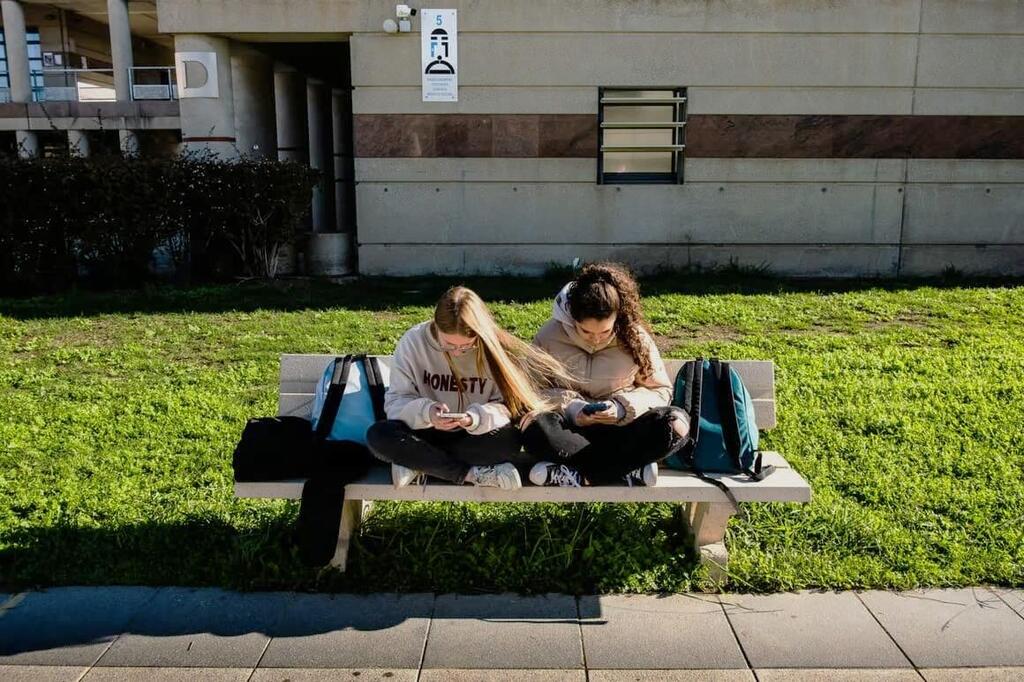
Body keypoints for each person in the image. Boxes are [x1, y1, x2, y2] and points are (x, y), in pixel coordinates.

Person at [367, 285, 568, 490]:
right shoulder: (414, 341)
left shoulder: (496, 348)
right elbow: (395, 403)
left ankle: (420, 462)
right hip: (423, 432)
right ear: (435, 326)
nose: (456, 352)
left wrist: (475, 418)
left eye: (465, 346)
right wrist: (427, 412)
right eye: (448, 344)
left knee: (509, 442)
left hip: (472, 435)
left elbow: (508, 408)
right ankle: (470, 474)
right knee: (379, 434)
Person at [521, 262, 690, 487]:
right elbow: (531, 390)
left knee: (675, 425)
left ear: (617, 318)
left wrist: (622, 407)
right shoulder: (549, 335)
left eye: (606, 331)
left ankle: (580, 474)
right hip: (571, 431)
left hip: (621, 430)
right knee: (533, 426)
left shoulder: (634, 337)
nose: (596, 338)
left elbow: (659, 390)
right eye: (586, 331)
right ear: (572, 318)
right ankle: (624, 469)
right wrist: (573, 408)